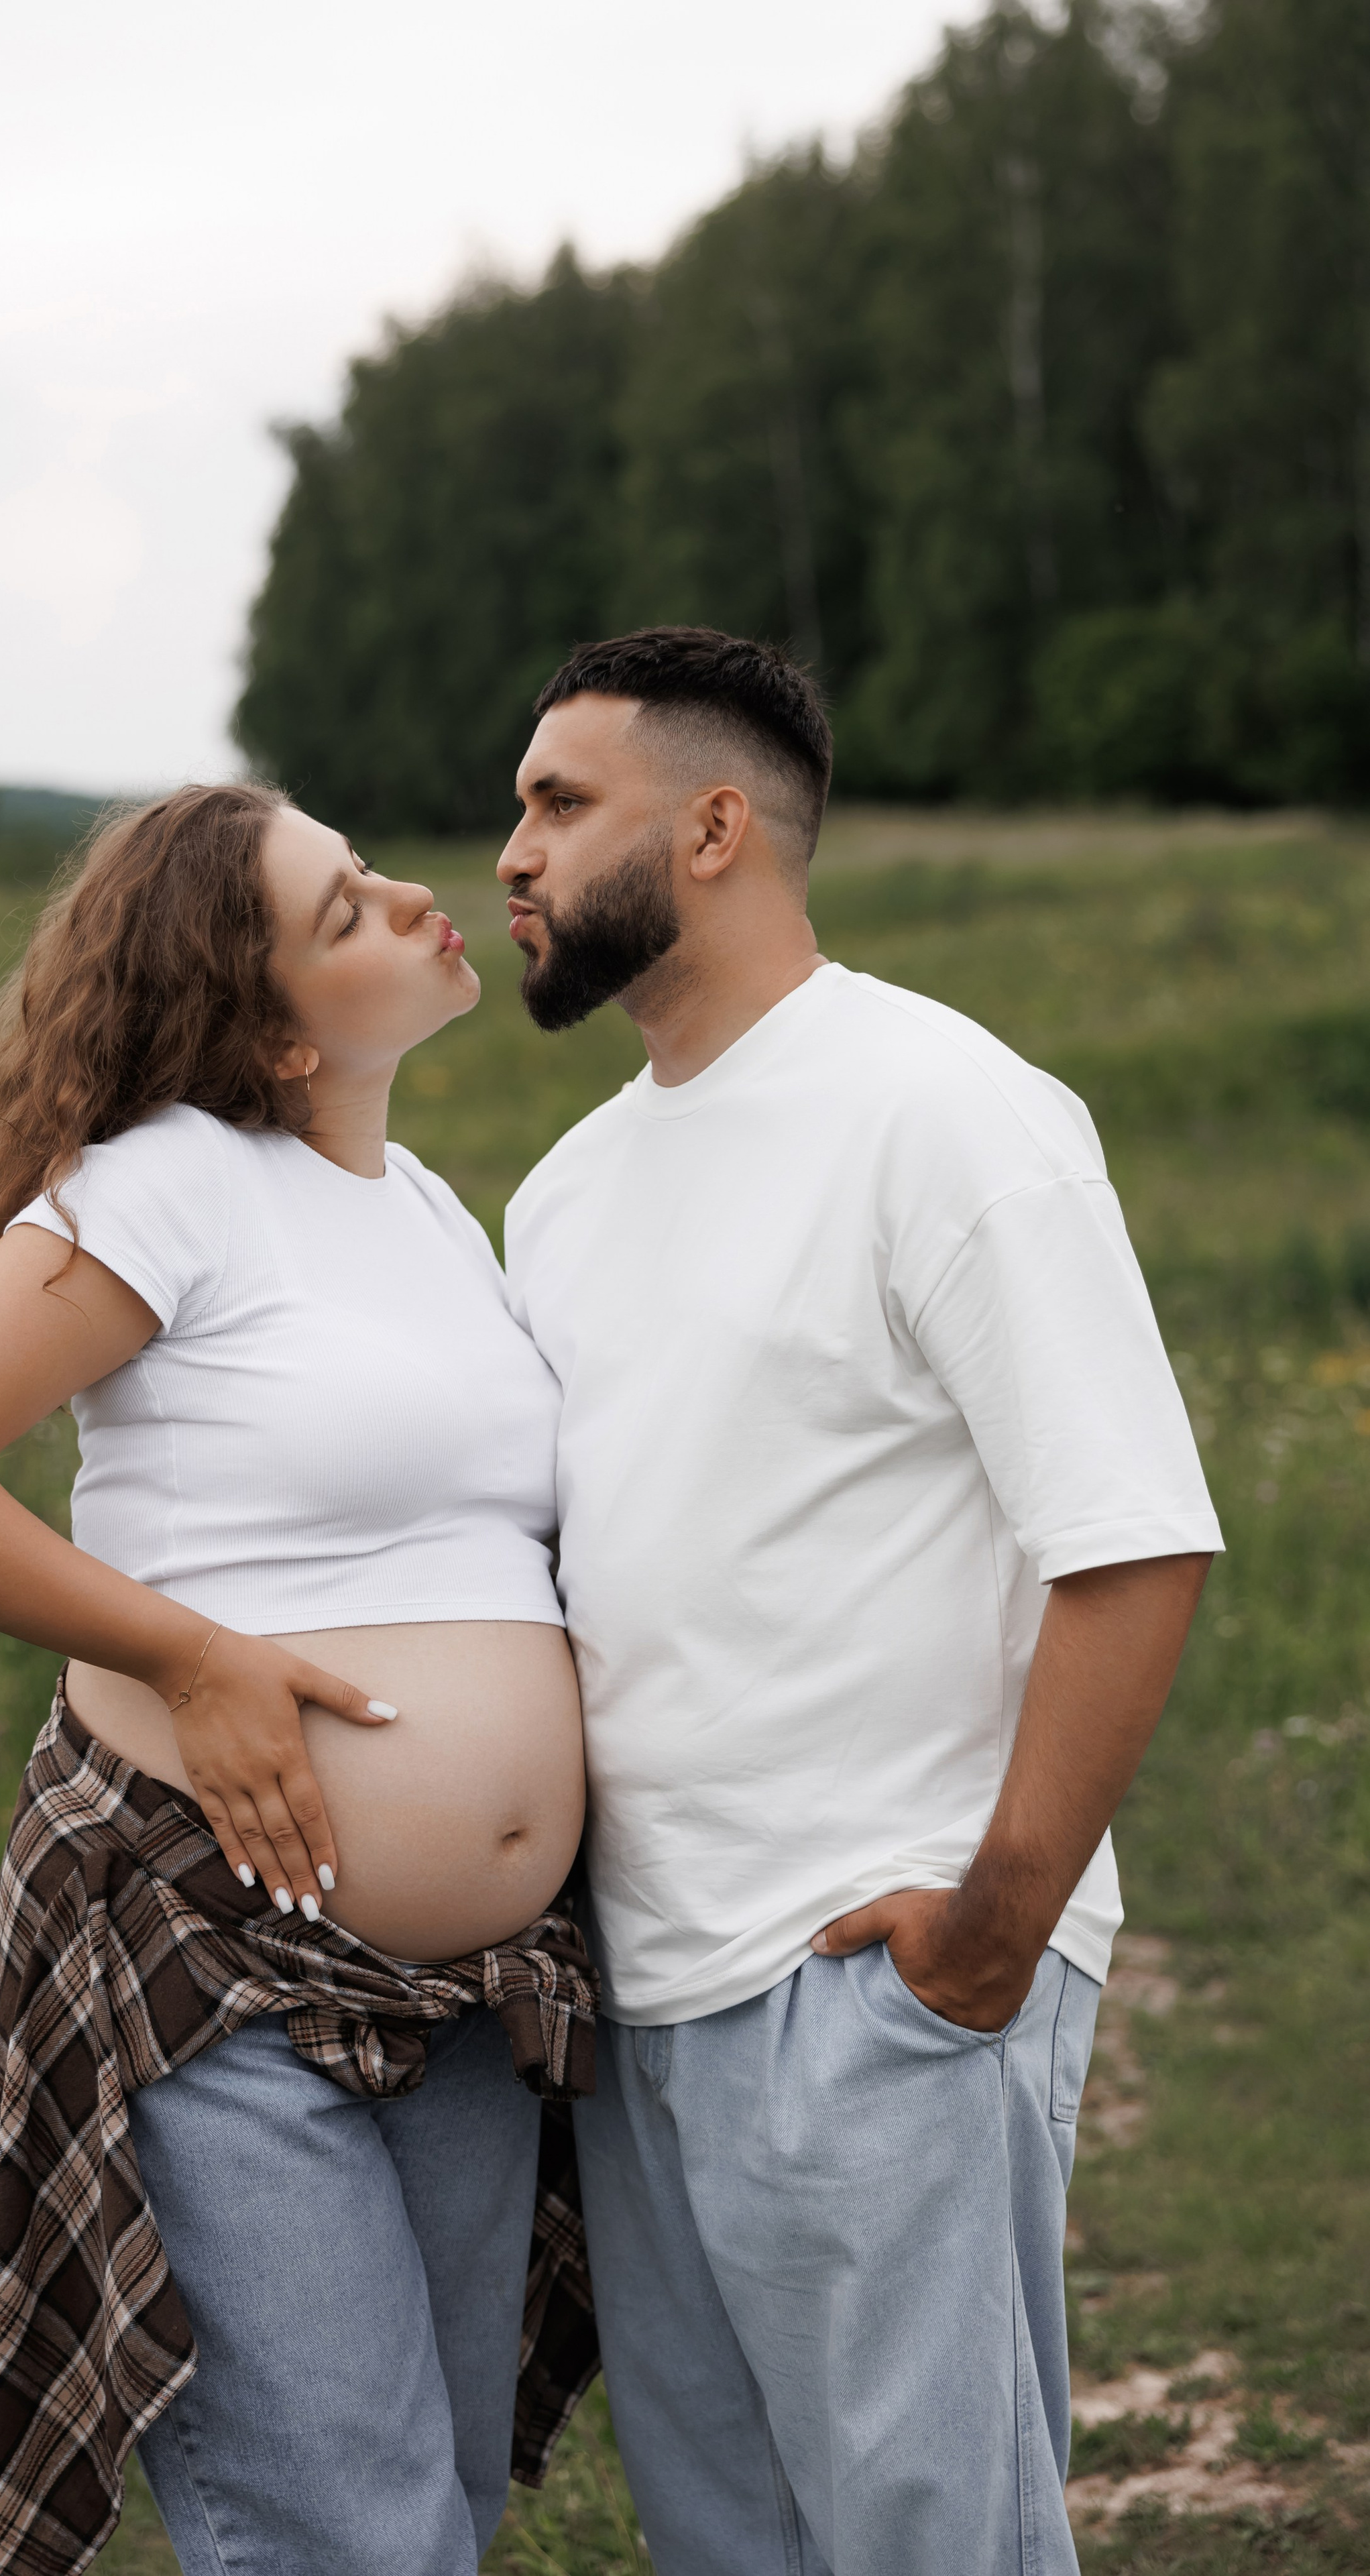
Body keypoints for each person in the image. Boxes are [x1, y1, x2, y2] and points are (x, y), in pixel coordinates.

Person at [0, 783, 597, 2576]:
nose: (413, 896)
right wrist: (185, 1649)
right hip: (214, 1955)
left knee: (443, 2500)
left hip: (468, 1984)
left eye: (372, 871)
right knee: (351, 2538)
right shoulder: (169, 1183)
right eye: (344, 912)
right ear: (269, 1031)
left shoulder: (437, 1214)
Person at [497, 627, 1222, 2576]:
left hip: (873, 1969)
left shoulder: (946, 1112)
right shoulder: (558, 1193)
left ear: (716, 825)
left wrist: (992, 1929)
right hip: (647, 1999)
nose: (515, 851)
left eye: (561, 803)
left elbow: (1134, 1539)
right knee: (737, 2545)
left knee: (936, 2546)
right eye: (517, 808)